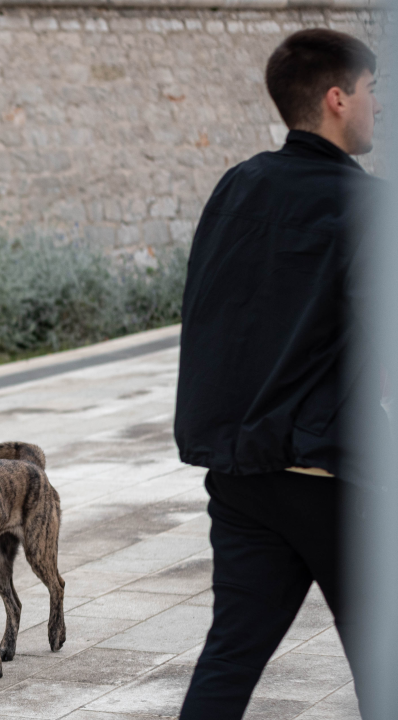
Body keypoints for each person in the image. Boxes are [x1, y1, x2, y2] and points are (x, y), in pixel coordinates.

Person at [174, 30, 381, 718]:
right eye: (371, 90)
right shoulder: (366, 205)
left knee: (229, 658)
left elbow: (208, 315)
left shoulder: (237, 186)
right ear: (336, 98)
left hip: (242, 474)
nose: (377, 105)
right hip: (330, 477)